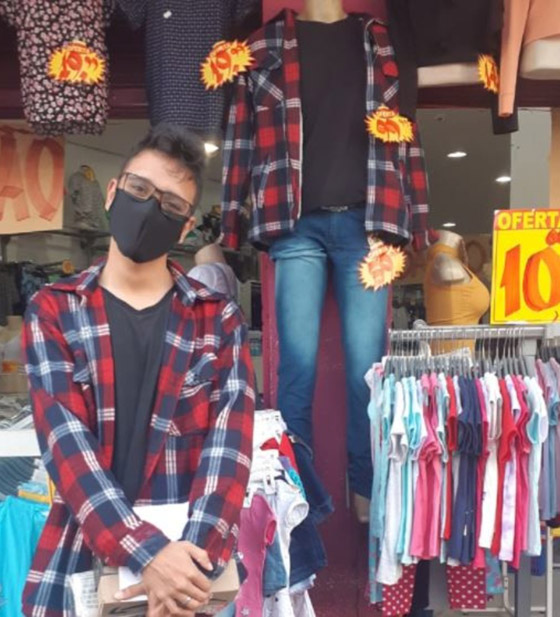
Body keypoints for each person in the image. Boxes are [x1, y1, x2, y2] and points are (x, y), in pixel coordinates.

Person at [22, 124, 256, 617]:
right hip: (83, 556)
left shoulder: (217, 319)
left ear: (186, 228)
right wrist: (147, 554)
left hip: (192, 573)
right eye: (140, 189)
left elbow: (229, 449)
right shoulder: (54, 310)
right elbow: (67, 445)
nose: (151, 208)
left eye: (170, 205)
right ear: (113, 191)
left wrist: (185, 568)